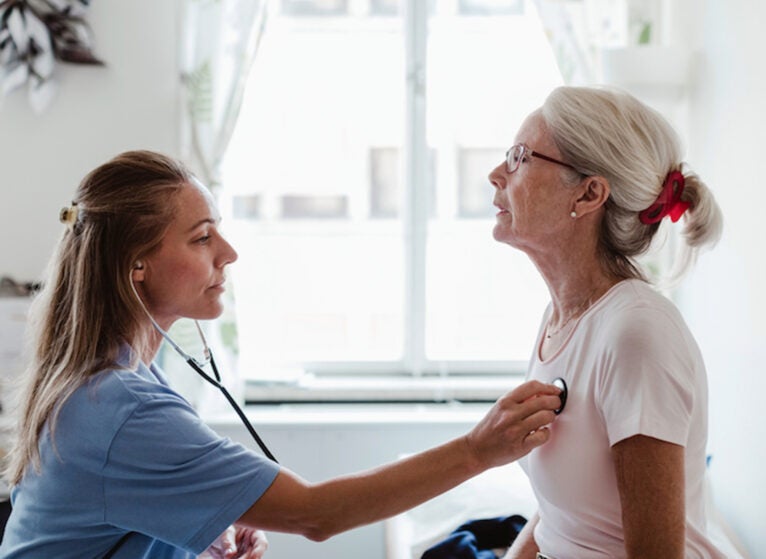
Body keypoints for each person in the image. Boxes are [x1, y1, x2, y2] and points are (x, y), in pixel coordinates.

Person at [0, 150, 563, 559]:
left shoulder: (118, 380)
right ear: (135, 265)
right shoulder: (121, 407)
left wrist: (196, 545)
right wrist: (478, 449)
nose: (229, 252)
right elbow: (315, 514)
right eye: (201, 238)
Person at [488, 85, 731, 558]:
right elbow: (565, 513)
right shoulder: (561, 318)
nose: (497, 174)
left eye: (520, 157)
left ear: (589, 193)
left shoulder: (637, 335)